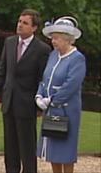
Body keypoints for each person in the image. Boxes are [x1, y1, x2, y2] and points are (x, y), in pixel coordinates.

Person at [0, 9, 52, 173]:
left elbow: (43, 79)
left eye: (25, 23)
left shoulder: (42, 49)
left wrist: (40, 106)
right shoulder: (9, 42)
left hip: (27, 104)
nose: (20, 25)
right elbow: (2, 68)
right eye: (19, 21)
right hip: (8, 100)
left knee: (27, 147)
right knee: (10, 146)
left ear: (34, 28)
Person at [35, 16, 86, 173]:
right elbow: (45, 79)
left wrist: (51, 100)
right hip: (51, 111)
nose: (53, 41)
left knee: (65, 151)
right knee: (52, 151)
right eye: (52, 38)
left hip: (66, 111)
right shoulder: (53, 55)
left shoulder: (77, 59)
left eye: (56, 38)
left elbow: (71, 85)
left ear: (67, 39)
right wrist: (39, 96)